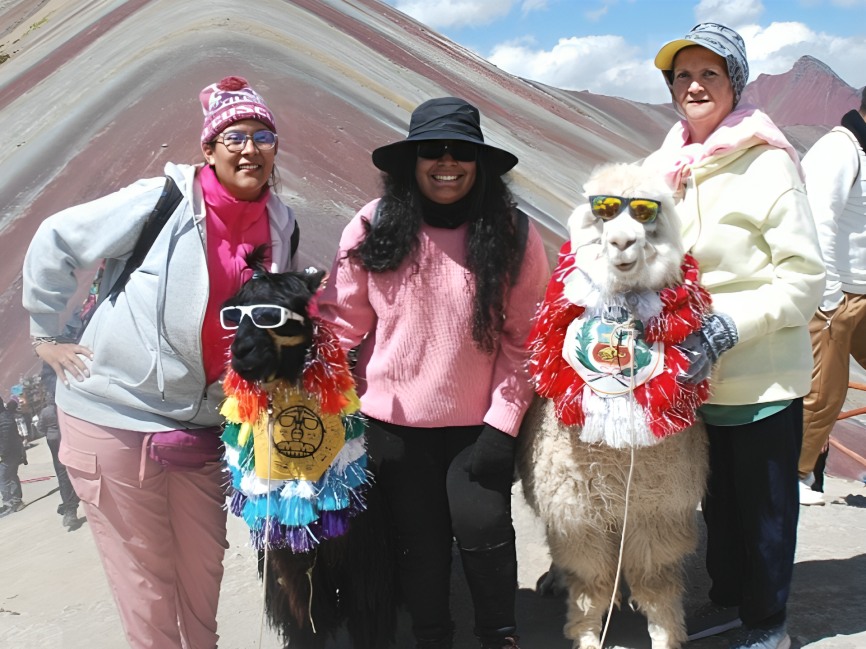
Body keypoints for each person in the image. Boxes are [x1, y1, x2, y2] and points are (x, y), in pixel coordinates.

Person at [22, 75, 300, 648]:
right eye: (235, 136)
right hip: (113, 415)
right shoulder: (162, 200)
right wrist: (44, 334)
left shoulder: (282, 222)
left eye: (263, 136)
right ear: (209, 149)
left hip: (204, 423)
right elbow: (57, 238)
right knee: (146, 583)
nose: (250, 148)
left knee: (203, 571)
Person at [317, 97, 550, 649]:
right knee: (418, 547)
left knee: (484, 531)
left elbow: (525, 340)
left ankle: (500, 638)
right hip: (392, 429)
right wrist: (299, 384)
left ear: (480, 163)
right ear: (412, 161)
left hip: (480, 428)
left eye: (461, 151)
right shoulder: (373, 225)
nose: (447, 162)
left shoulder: (514, 232)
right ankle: (432, 639)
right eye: (432, 151)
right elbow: (342, 323)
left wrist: (503, 425)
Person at [646, 23, 825, 649]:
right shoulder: (661, 168)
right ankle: (730, 600)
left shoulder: (767, 162)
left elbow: (804, 279)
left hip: (760, 376)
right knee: (716, 502)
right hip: (689, 378)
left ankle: (768, 622)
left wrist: (729, 326)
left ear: (735, 84)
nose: (694, 86)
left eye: (710, 74)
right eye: (683, 75)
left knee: (764, 509)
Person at [797, 87, 866, 506]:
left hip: (862, 291)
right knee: (823, 392)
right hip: (837, 293)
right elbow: (817, 220)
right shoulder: (839, 150)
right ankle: (794, 475)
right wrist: (828, 298)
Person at [36, 367, 81, 529]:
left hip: (55, 443)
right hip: (73, 440)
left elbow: (40, 428)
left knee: (62, 474)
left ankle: (70, 510)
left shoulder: (46, 411)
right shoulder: (69, 405)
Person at [0, 399, 26, 517]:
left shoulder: (4, 418)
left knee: (3, 477)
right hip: (13, 452)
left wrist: (2, 453)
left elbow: (6, 439)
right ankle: (16, 501)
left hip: (9, 453)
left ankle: (9, 503)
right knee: (11, 475)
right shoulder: (5, 416)